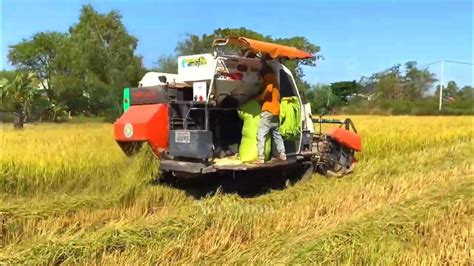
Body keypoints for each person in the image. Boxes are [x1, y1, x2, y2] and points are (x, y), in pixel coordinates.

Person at [254, 63, 286, 164]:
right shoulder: (276, 81)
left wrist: (260, 98)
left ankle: (260, 158)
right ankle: (282, 154)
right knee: (276, 134)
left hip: (268, 110)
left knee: (261, 134)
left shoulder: (269, 77)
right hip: (276, 111)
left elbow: (269, 88)